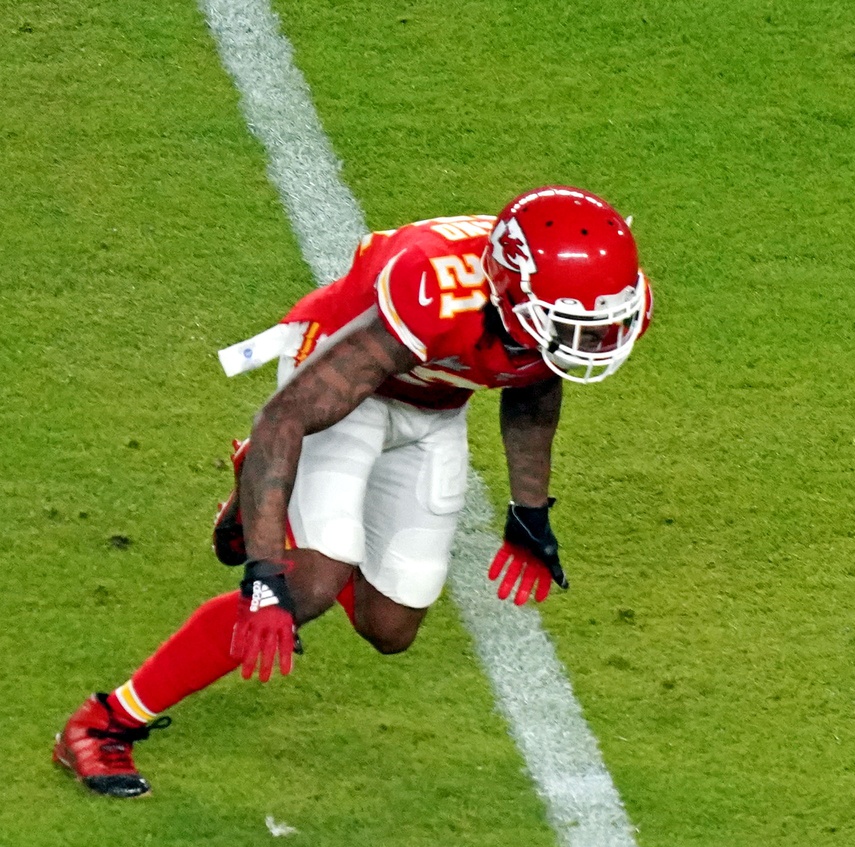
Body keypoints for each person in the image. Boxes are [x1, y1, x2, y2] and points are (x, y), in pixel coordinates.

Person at [53, 186, 652, 797]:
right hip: (343, 390)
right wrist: (264, 574)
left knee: (388, 628)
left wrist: (530, 514)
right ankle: (104, 722)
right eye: (572, 324)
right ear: (509, 286)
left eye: (595, 324)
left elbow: (533, 385)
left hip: (434, 405)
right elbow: (283, 419)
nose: (591, 342)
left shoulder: (559, 295)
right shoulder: (436, 293)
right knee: (305, 586)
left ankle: (266, 487)